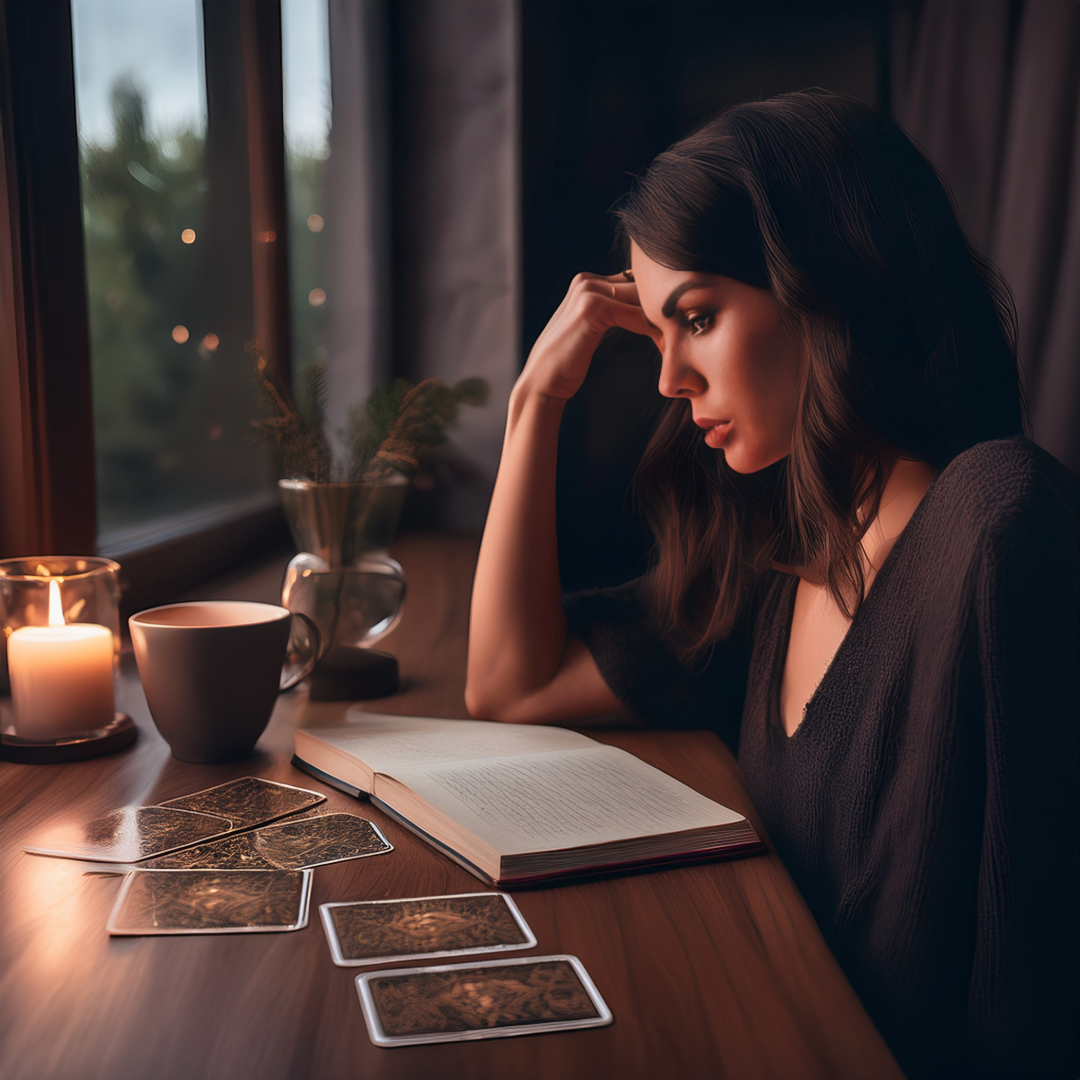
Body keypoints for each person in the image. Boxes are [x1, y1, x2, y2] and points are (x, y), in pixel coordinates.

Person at [465, 90, 1079, 1079]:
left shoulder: (996, 520)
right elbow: (509, 685)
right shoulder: (779, 563)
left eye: (698, 318)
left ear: (824, 284)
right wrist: (536, 399)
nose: (669, 378)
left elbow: (1033, 998)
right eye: (659, 331)